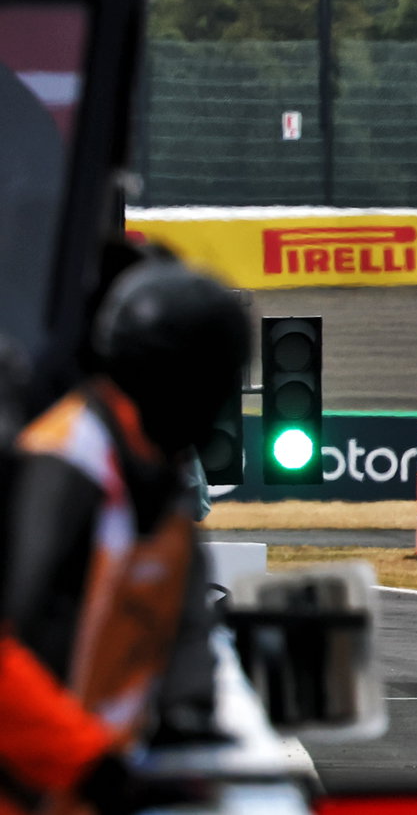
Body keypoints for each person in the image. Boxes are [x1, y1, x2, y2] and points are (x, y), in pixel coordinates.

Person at [0, 259, 249, 813]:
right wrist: (91, 766)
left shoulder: (161, 476)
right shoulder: (60, 469)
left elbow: (183, 621)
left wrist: (187, 714)